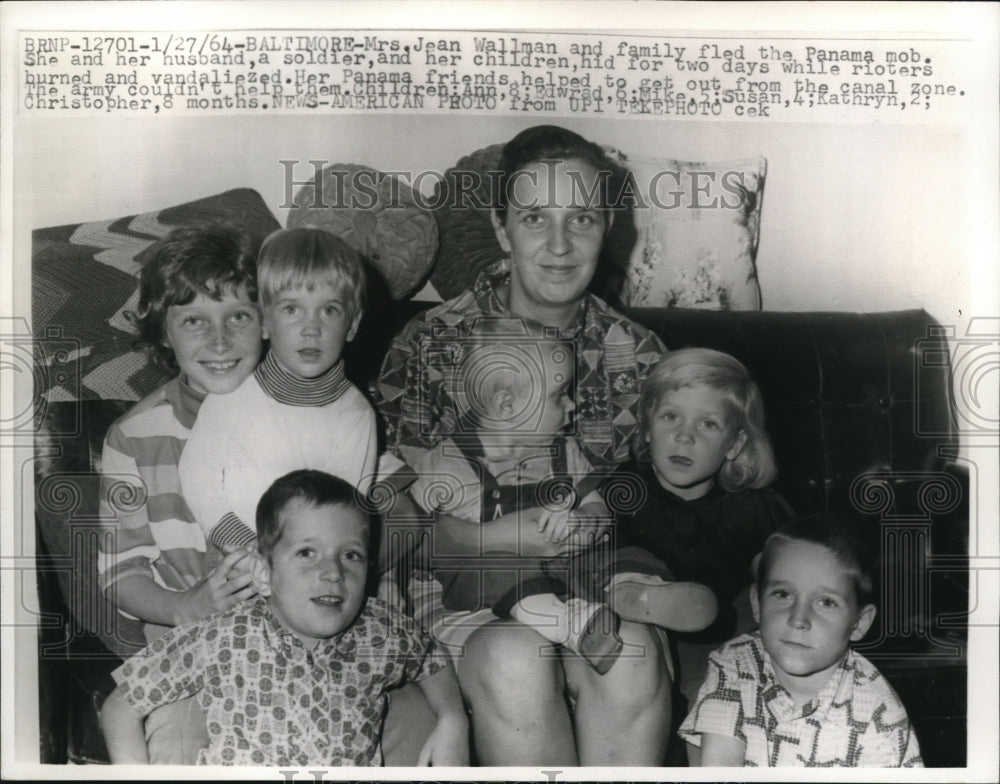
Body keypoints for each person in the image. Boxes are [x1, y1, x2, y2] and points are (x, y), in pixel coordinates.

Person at [375, 125, 672, 765]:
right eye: (535, 218)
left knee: (631, 652)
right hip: (459, 586)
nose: (560, 246)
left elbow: (659, 514)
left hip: (590, 578)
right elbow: (400, 526)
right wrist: (496, 540)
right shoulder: (431, 344)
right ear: (502, 228)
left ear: (607, 226)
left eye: (581, 219)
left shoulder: (642, 357)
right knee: (516, 656)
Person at [408, 321, 717, 675]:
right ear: (508, 405)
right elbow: (415, 536)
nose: (572, 406)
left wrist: (585, 521)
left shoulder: (564, 451)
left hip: (569, 565)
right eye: (559, 395)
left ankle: (634, 592)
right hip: (492, 582)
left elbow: (597, 506)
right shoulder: (444, 464)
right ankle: (565, 622)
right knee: (497, 567)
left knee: (628, 554)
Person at [101, 469, 469, 766]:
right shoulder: (224, 635)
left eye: (351, 555)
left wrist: (453, 719)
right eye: (307, 553)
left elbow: (431, 658)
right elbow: (122, 704)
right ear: (264, 573)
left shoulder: (379, 630)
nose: (333, 572)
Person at [97, 222, 265, 763]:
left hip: (309, 635)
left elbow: (393, 515)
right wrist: (184, 607)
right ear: (165, 334)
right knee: (180, 748)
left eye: (239, 316)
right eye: (194, 320)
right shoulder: (132, 437)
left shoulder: (314, 407)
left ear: (268, 321)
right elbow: (121, 575)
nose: (219, 341)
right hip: (193, 651)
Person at [606, 347, 794, 705]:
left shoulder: (754, 505)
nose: (684, 436)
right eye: (670, 417)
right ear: (647, 428)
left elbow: (782, 572)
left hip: (726, 634)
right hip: (646, 634)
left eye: (707, 424)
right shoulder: (623, 490)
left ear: (735, 444)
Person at [179, 227, 378, 549]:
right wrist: (248, 550)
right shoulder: (232, 398)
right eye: (291, 309)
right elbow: (199, 480)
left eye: (329, 310)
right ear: (264, 322)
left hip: (316, 558)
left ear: (352, 325)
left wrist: (295, 561)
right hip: (235, 552)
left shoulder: (356, 414)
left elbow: (347, 510)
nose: (311, 329)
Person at [678, 513, 923, 767]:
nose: (798, 619)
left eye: (826, 602)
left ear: (859, 623)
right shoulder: (735, 662)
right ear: (757, 604)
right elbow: (720, 769)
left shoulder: (877, 711)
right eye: (783, 594)